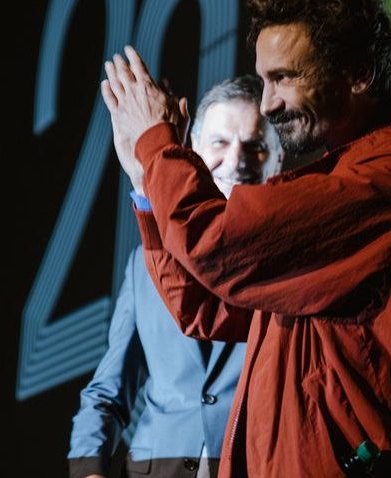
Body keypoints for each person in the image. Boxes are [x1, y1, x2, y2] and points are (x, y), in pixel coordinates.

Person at [100, 0, 391, 476]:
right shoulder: (355, 177)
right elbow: (203, 307)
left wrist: (157, 144)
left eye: (283, 78)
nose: (268, 104)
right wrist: (145, 184)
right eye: (264, 80)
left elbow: (213, 243)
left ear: (359, 73)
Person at [67, 75, 283, 478]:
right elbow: (108, 391)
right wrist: (89, 470)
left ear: (278, 160)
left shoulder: (290, 262)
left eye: (255, 146)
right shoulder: (144, 262)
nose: (236, 159)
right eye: (219, 142)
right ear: (192, 152)